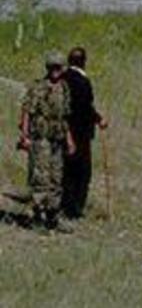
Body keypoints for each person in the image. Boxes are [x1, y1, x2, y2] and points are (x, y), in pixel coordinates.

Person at [18, 51, 74, 232]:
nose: (55, 71)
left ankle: (53, 217)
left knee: (56, 179)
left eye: (58, 67)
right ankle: (37, 217)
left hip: (57, 139)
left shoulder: (64, 88)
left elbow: (65, 117)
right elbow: (27, 112)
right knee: (40, 178)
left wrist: (69, 140)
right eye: (52, 67)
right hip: (40, 139)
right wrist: (24, 136)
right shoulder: (38, 87)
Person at [61, 47, 107, 219]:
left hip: (63, 131)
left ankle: (65, 204)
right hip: (80, 133)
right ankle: (74, 209)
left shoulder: (62, 77)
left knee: (66, 170)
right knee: (82, 172)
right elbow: (84, 107)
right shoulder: (82, 81)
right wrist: (98, 119)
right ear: (84, 61)